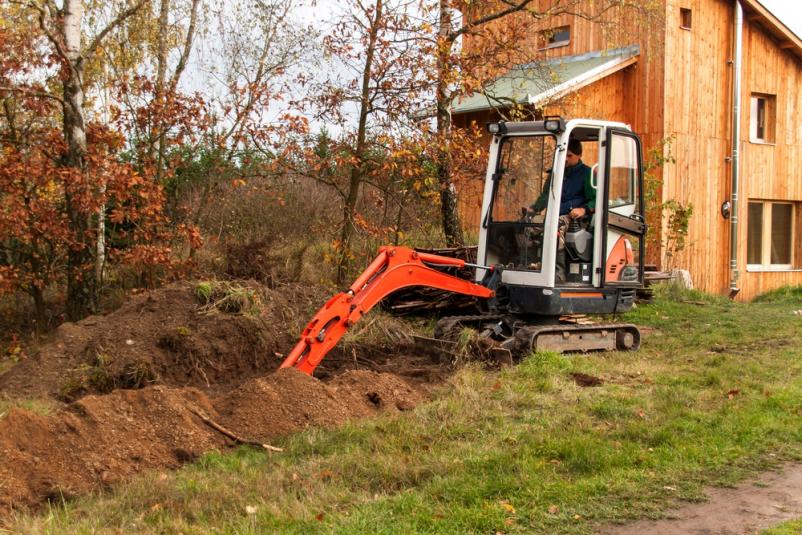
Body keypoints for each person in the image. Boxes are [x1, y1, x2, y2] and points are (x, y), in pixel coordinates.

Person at [529, 139, 596, 282]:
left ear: (579, 155)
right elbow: (546, 195)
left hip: (574, 217)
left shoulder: (587, 173)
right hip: (554, 214)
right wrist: (533, 209)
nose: (565, 158)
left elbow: (596, 199)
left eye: (569, 155)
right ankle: (530, 264)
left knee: (555, 227)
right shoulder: (556, 173)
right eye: (564, 154)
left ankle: (558, 273)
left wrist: (584, 209)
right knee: (527, 225)